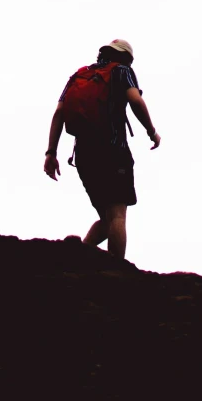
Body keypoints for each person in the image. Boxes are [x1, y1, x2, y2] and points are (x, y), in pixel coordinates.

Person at [44, 38, 160, 263]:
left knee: (107, 220)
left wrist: (51, 153)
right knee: (117, 214)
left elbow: (59, 113)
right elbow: (135, 101)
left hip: (85, 157)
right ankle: (117, 270)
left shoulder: (79, 76)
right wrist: (151, 131)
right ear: (126, 58)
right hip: (113, 151)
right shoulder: (122, 71)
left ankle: (78, 255)